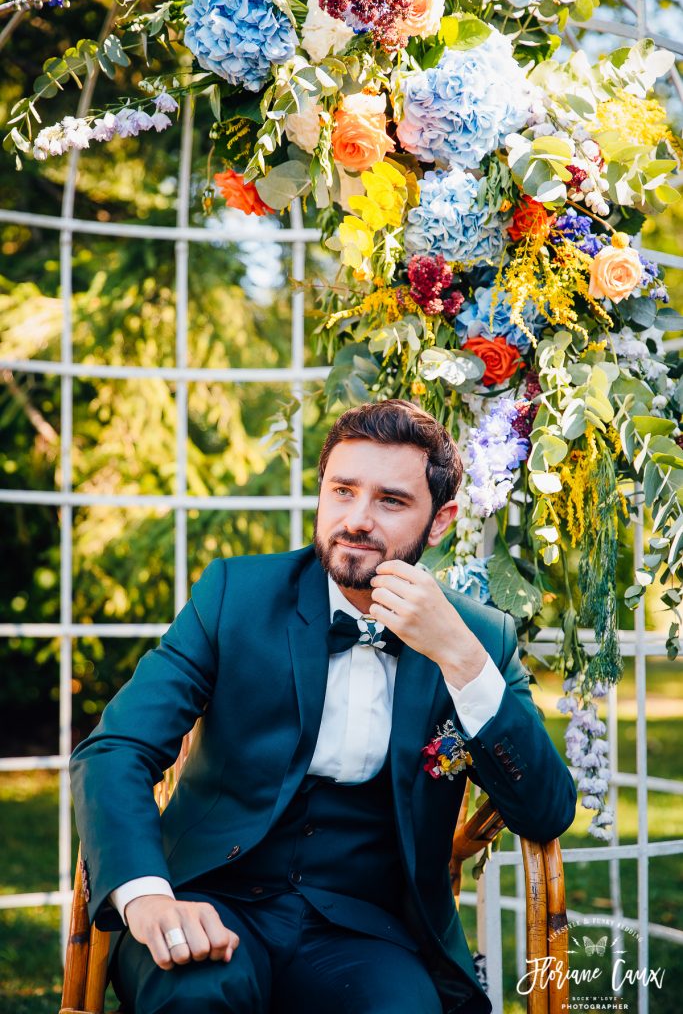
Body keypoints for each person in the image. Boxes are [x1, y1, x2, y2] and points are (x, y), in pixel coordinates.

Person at [70, 399, 576, 1014]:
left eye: (390, 500)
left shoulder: (480, 637)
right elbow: (115, 750)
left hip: (370, 929)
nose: (356, 519)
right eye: (342, 491)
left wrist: (462, 663)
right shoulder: (237, 595)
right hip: (210, 896)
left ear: (439, 520)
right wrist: (148, 897)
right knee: (196, 999)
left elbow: (546, 810)